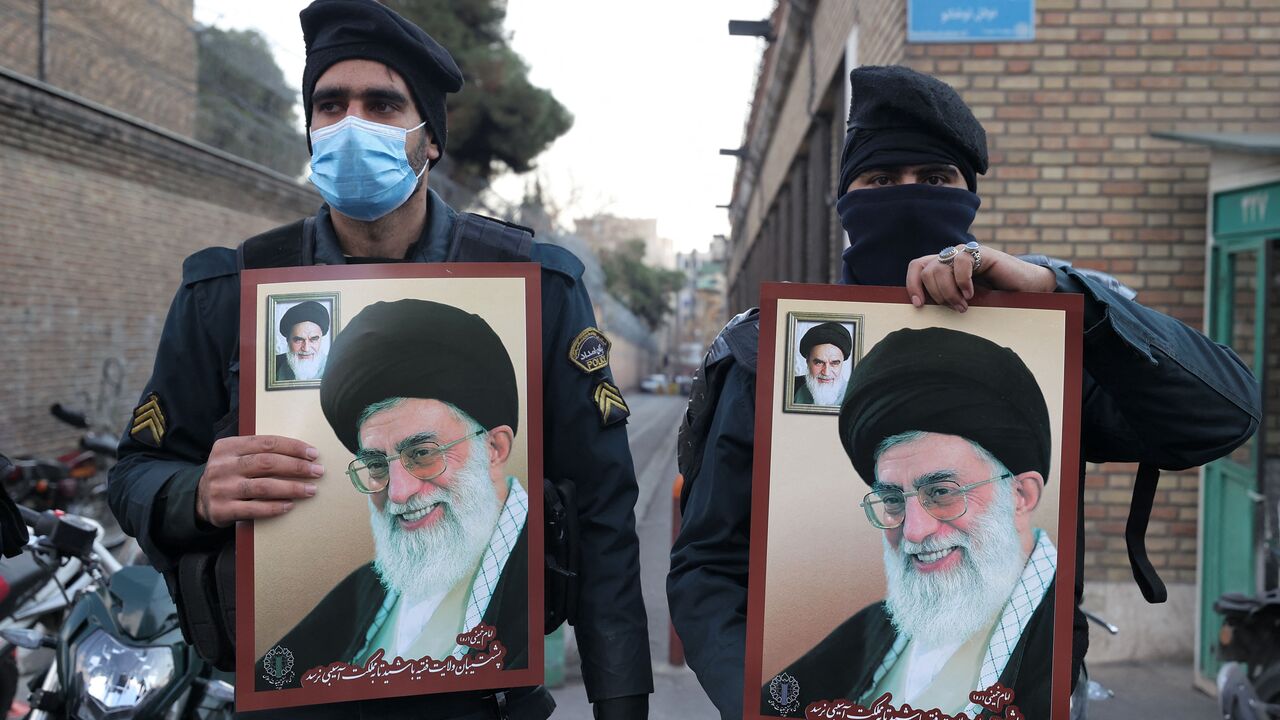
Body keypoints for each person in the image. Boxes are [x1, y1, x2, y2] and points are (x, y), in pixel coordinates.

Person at [108, 1, 652, 717]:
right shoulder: (229, 293)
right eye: (330, 105)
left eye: (382, 105)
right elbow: (136, 474)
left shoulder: (534, 290)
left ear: (429, 140)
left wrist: (621, 705)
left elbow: (605, 519)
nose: (351, 125)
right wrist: (195, 496)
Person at [669, 64, 1260, 720]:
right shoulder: (769, 351)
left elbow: (1223, 414)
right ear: (845, 202)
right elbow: (707, 567)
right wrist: (753, 701)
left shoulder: (1045, 338)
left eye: (935, 179)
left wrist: (1067, 297)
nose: (908, 197)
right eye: (880, 181)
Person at [764, 327, 1056, 718]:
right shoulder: (877, 626)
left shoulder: (1057, 642)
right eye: (891, 500)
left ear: (1021, 496)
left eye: (942, 492)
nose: (915, 531)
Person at [255, 300, 531, 690]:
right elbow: (272, 687)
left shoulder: (549, 572)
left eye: (422, 453)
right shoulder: (368, 587)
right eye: (378, 465)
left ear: (494, 449)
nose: (399, 493)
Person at [792, 321, 853, 406]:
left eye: (834, 363)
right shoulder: (792, 387)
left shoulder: (854, 395)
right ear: (807, 360)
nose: (826, 372)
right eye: (819, 363)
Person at [274, 300, 330, 382]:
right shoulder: (274, 365)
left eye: (313, 339)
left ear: (321, 339)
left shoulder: (336, 368)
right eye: (298, 340)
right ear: (287, 340)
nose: (306, 348)